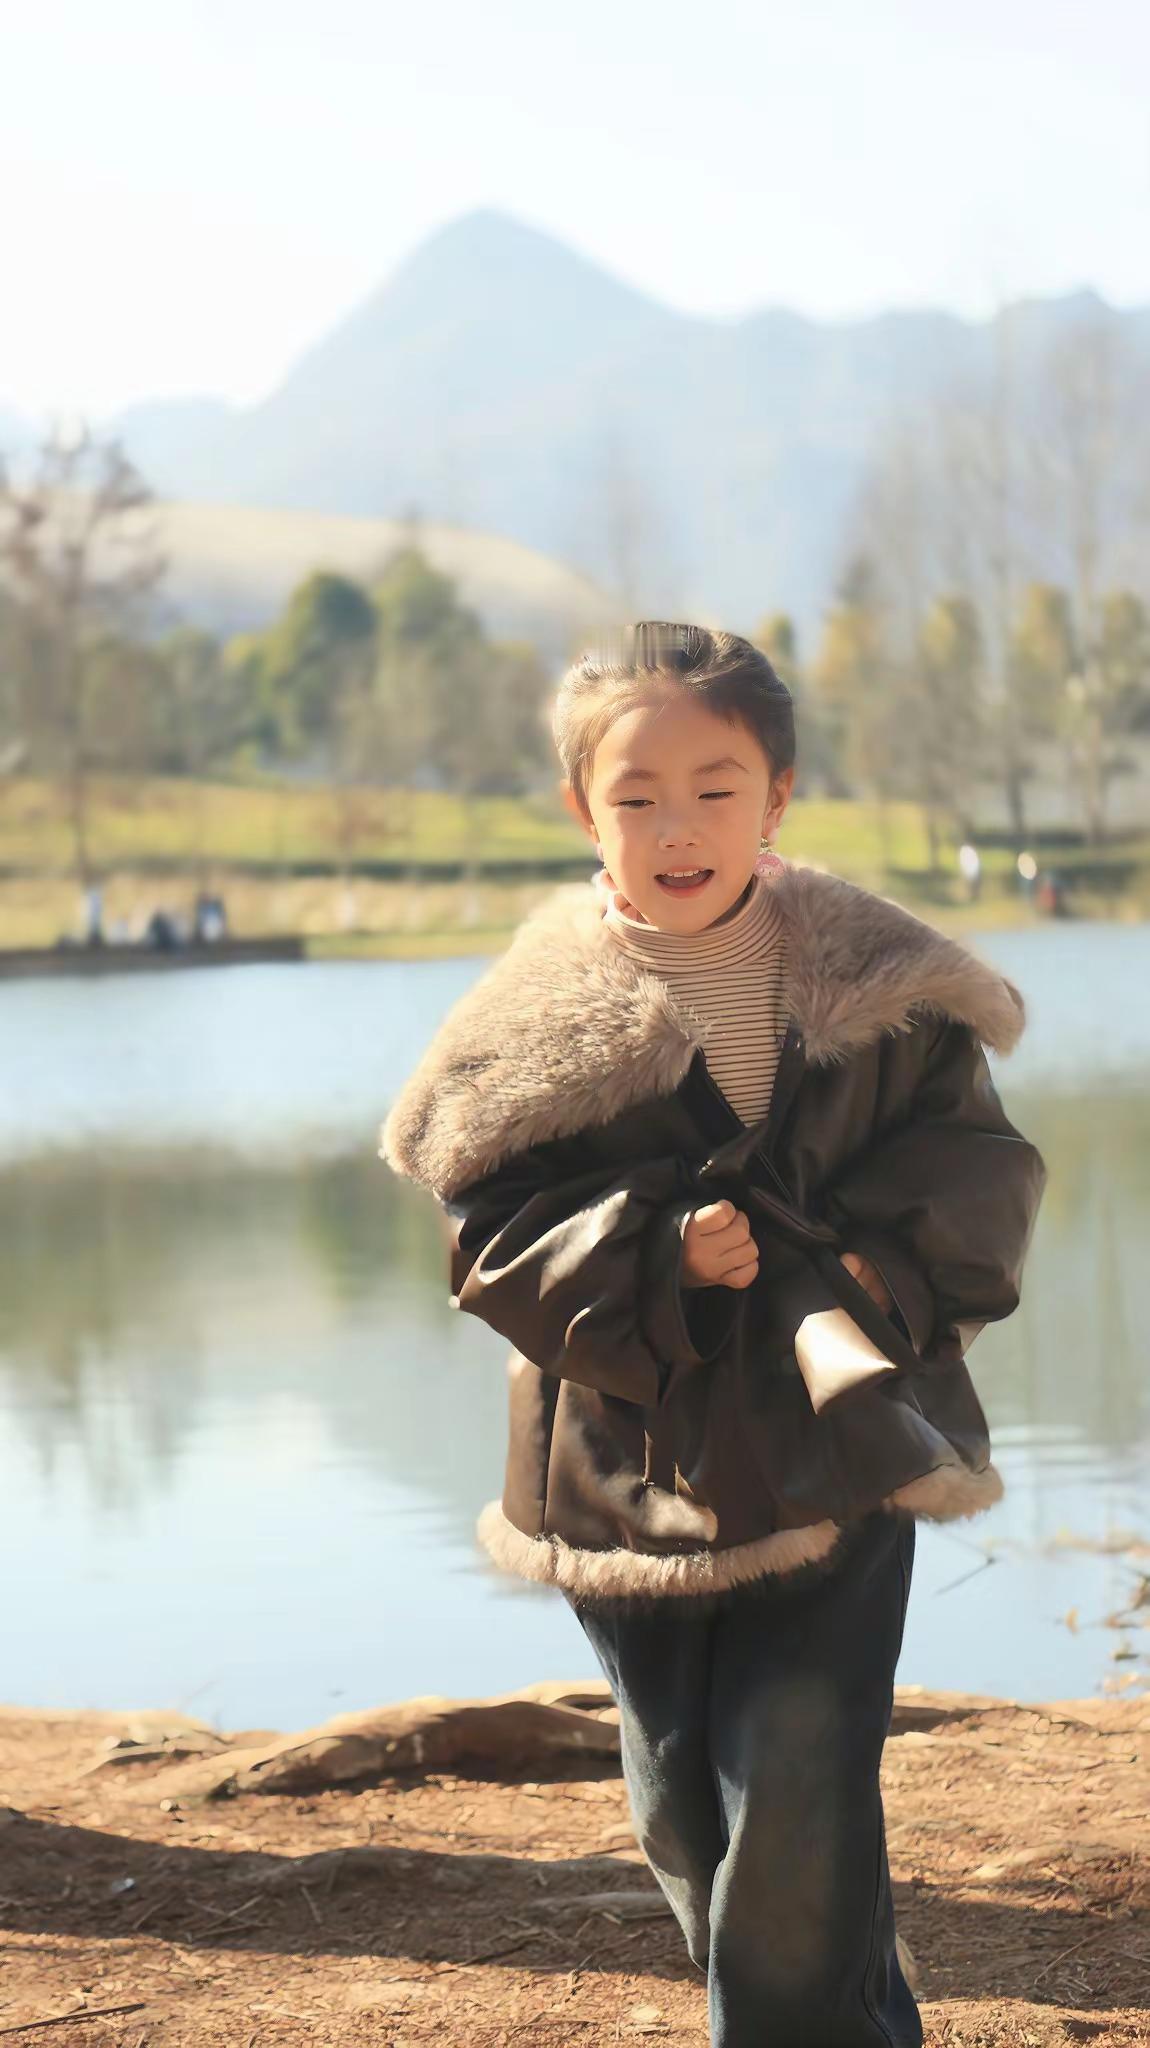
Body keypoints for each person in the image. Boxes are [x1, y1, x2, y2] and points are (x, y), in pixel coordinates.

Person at [381, 622, 1046, 2048]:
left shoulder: (890, 993)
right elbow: (486, 1245)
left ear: (778, 796)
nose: (676, 826)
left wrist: (872, 1271)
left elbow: (980, 1172)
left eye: (714, 787)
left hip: (836, 1434)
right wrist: (657, 1254)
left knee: (800, 1777)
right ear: (584, 811)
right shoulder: (524, 1034)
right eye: (636, 796)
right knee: (685, 1810)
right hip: (627, 1461)